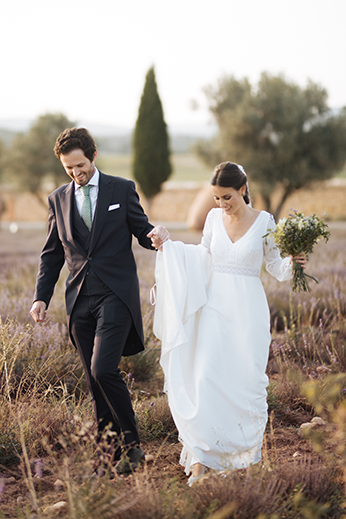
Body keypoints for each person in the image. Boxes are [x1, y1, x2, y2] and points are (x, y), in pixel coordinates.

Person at [152, 161, 306, 486]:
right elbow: (202, 256)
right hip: (213, 307)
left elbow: (276, 265)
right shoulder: (212, 218)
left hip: (248, 312)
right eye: (217, 198)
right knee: (206, 376)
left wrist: (295, 264)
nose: (222, 204)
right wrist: (169, 248)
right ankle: (201, 458)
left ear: (243, 189)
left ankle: (241, 455)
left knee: (244, 380)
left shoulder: (265, 221)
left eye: (227, 197)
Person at [30, 127, 168, 476]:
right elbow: (51, 255)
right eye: (68, 169)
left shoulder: (121, 189)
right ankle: (108, 457)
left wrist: (158, 236)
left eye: (80, 165)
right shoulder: (57, 199)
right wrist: (41, 298)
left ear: (92, 155)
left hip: (116, 295)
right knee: (95, 383)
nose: (76, 174)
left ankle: (133, 444)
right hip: (79, 301)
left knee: (103, 369)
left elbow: (142, 231)